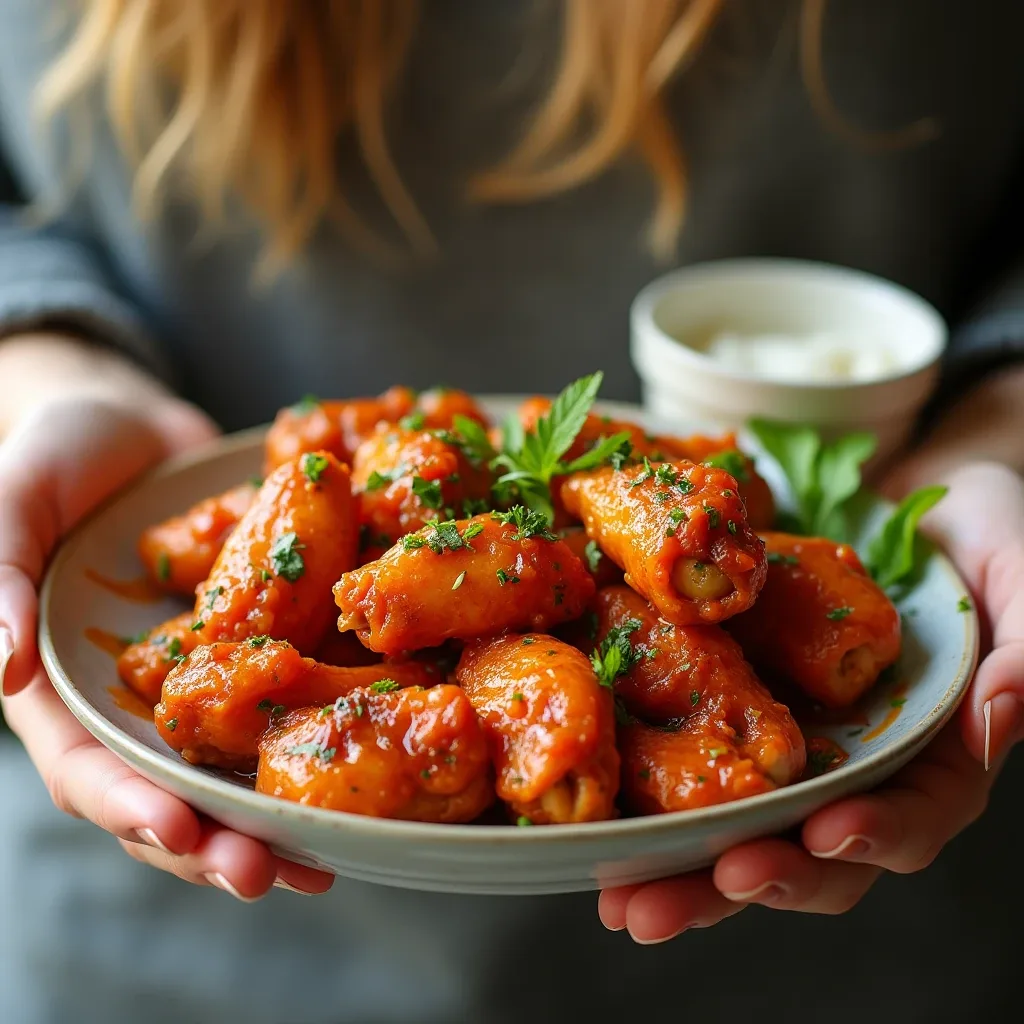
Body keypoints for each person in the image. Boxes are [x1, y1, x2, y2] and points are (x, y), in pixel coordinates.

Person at [1, 1, 1023, 1021]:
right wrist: (49, 377)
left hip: (834, 976)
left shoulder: (576, 561)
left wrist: (995, 437)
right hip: (169, 965)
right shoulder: (365, 549)